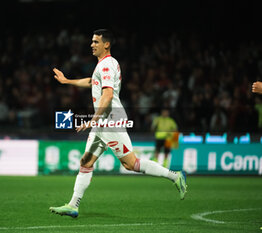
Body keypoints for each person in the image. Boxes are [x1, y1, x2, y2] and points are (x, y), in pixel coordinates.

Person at [49, 29, 187, 218]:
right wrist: (67, 81)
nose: (92, 44)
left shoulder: (107, 65)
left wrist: (93, 120)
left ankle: (175, 176)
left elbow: (107, 95)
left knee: (130, 164)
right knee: (86, 161)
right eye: (92, 41)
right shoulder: (104, 65)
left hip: (110, 119)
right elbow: (92, 82)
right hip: (105, 120)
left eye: (96, 41)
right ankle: (73, 205)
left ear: (106, 44)